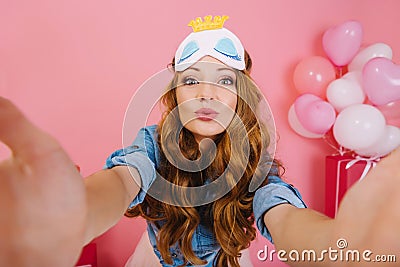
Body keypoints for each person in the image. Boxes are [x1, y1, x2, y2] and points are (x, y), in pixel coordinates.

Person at [0, 15, 399, 267]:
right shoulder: (152, 147)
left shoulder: (253, 163)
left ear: (242, 96)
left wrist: (332, 247)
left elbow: (282, 214)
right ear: (174, 94)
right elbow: (124, 178)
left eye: (225, 80)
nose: (207, 93)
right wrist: (80, 214)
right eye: (192, 80)